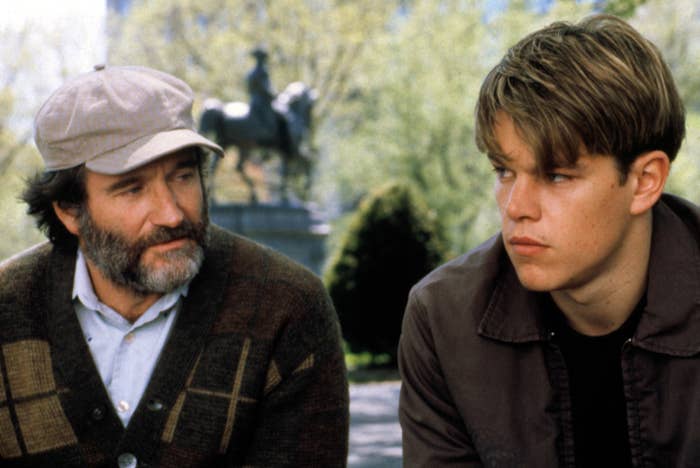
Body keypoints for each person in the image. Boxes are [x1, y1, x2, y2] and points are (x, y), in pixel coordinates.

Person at [0, 65, 348, 467]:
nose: (170, 213)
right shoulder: (8, 308)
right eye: (132, 188)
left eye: (183, 175)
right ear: (70, 212)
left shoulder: (287, 307)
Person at [398, 14, 700, 468]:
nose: (516, 206)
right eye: (504, 171)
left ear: (644, 182)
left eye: (556, 175)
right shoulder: (443, 320)